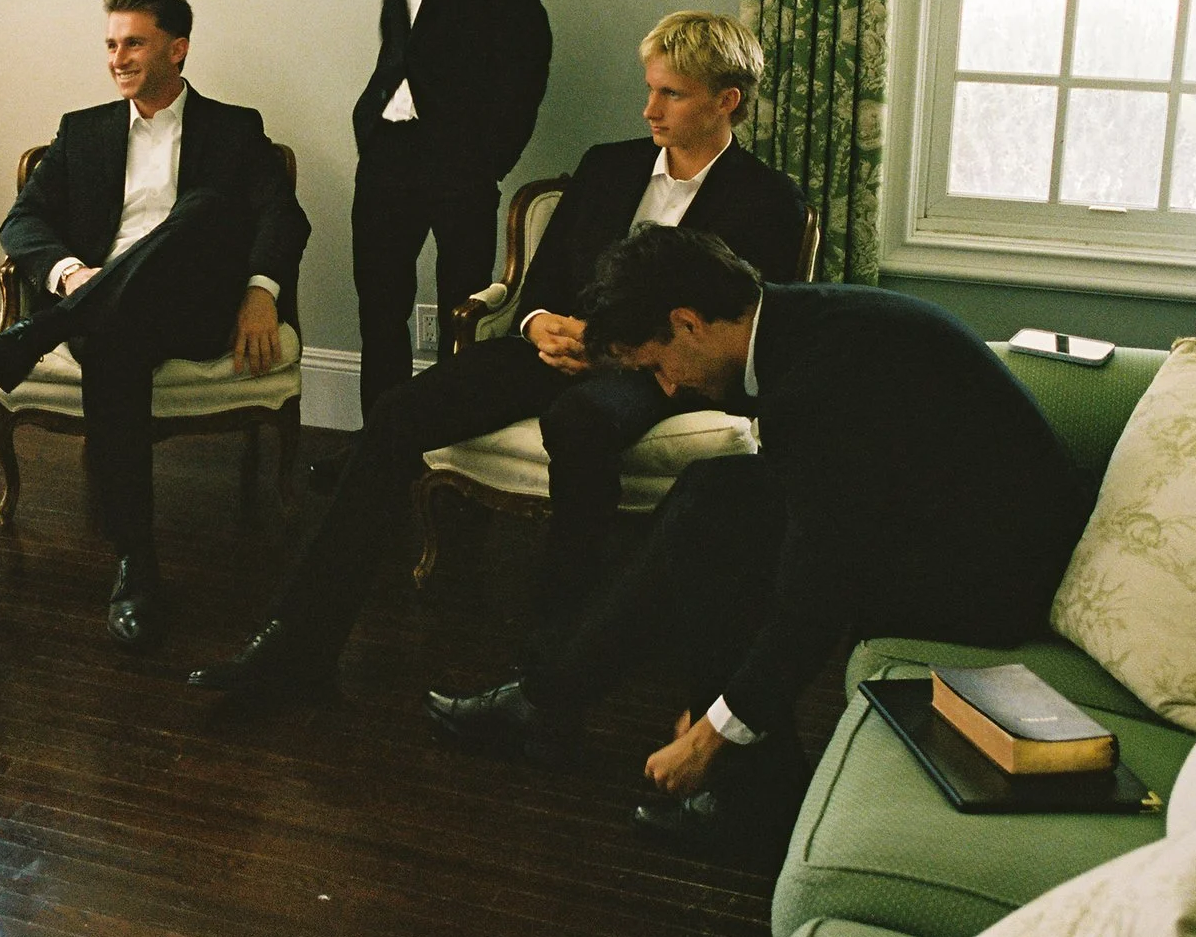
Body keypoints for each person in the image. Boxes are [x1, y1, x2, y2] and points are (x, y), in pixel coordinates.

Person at [187, 12, 808, 702]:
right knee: (397, 413)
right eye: (650, 88)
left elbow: (733, 331)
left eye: (672, 94)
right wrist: (539, 324)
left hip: (657, 375)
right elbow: (540, 284)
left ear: (727, 100)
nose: (649, 109)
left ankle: (546, 676)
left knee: (580, 424)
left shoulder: (768, 200)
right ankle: (297, 643)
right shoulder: (608, 166)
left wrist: (616, 349)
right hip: (556, 349)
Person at [426, 227, 1092, 857]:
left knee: (723, 527)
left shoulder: (814, 384)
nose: (667, 386)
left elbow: (817, 590)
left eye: (658, 363)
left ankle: (741, 790)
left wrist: (717, 727)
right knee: (713, 492)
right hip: (948, 523)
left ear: (688, 322)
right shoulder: (803, 325)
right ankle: (552, 697)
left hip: (990, 581)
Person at [0, 0, 310, 649]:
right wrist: (71, 274)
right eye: (110, 44)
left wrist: (261, 290)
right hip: (105, 308)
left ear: (177, 49)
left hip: (195, 307)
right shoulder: (83, 130)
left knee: (203, 208)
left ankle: (38, 333)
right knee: (112, 339)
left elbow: (282, 215)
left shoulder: (234, 128)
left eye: (133, 43)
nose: (117, 58)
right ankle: (136, 563)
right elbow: (23, 219)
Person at [350, 0, 551, 421]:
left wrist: (488, 159)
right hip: (386, 143)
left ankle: (444, 445)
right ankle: (380, 445)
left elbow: (527, 65)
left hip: (460, 158)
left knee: (461, 306)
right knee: (379, 305)